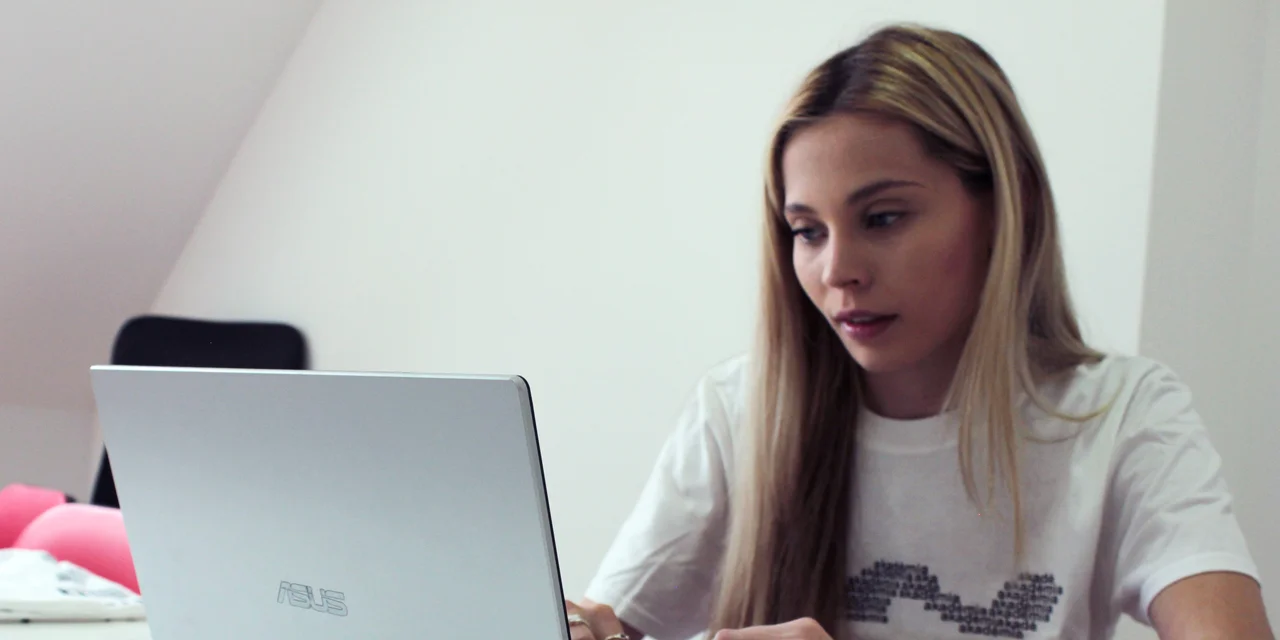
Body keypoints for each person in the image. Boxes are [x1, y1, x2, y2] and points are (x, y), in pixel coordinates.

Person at [564, 23, 1272, 640]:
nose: (838, 271)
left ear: (1008, 207)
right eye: (807, 231)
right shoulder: (740, 412)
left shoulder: (1120, 417)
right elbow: (610, 619)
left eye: (883, 218)